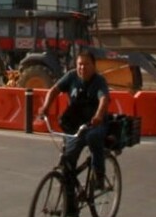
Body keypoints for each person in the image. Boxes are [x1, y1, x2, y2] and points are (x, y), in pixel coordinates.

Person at [39, 49, 110, 204]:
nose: (82, 68)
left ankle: (99, 176)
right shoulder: (71, 76)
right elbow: (54, 90)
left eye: (86, 64)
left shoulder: (99, 81)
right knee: (68, 162)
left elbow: (104, 98)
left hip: (94, 123)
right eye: (79, 64)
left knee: (94, 137)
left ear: (94, 66)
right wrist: (45, 107)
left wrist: (98, 115)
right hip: (76, 125)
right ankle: (70, 202)